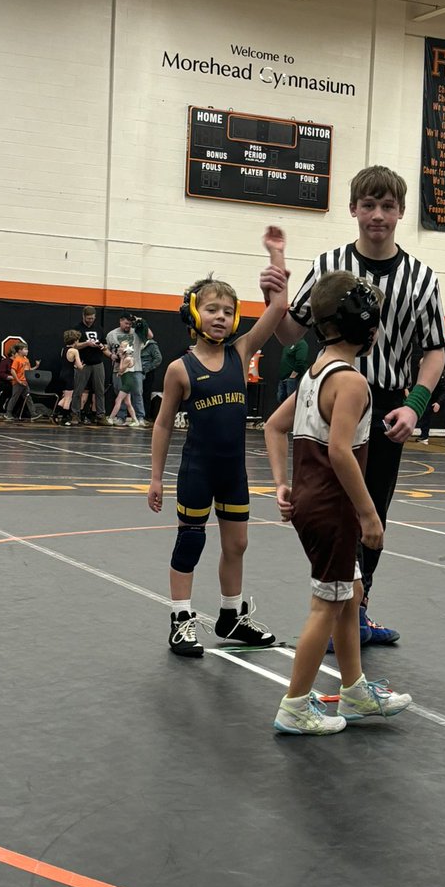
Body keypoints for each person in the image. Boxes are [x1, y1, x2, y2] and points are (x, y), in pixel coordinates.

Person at [261, 165, 445, 645]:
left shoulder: (422, 279)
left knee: (372, 511)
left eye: (387, 206)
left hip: (386, 406)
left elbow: (435, 349)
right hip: (329, 394)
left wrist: (415, 405)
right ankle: (335, 606)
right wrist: (274, 298)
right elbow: (289, 333)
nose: (378, 215)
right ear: (353, 209)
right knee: (330, 507)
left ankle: (354, 611)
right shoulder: (327, 266)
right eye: (369, 205)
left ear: (401, 212)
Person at [264, 270, 412, 734]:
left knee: (351, 595)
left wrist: (282, 483)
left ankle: (354, 691)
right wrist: (369, 514)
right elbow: (341, 451)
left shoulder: (313, 372)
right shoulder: (350, 383)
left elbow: (273, 424)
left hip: (313, 501)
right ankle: (295, 706)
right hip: (334, 508)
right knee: (326, 605)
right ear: (366, 326)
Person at [148, 226, 290, 658]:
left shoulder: (241, 352)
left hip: (233, 472)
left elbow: (280, 307)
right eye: (212, 309)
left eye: (228, 311)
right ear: (193, 312)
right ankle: (181, 619)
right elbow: (162, 425)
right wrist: (156, 477)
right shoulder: (180, 368)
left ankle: (230, 614)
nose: (221, 317)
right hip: (198, 471)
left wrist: (277, 255)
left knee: (237, 544)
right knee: (191, 540)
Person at [106, 313, 148, 424]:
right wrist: (112, 355)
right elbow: (106, 349)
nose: (128, 326)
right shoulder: (112, 334)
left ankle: (139, 417)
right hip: (121, 370)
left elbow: (150, 335)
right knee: (125, 400)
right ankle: (124, 417)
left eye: (130, 324)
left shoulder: (137, 332)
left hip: (133, 370)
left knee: (136, 393)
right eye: (126, 323)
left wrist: (141, 321)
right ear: (120, 321)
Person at [71, 306, 108, 424]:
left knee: (100, 390)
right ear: (83, 316)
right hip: (83, 363)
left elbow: (104, 343)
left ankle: (100, 415)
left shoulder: (98, 328)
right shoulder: (77, 329)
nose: (90, 320)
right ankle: (75, 414)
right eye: (88, 318)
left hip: (97, 362)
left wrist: (103, 346)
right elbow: (74, 345)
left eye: (92, 318)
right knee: (78, 390)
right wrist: (87, 344)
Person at [4, 343, 44, 422]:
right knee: (14, 397)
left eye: (27, 349)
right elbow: (12, 371)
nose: (27, 351)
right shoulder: (17, 359)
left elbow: (28, 371)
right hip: (18, 383)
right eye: (25, 349)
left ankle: (33, 414)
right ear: (19, 351)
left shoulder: (26, 359)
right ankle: (8, 413)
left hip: (25, 382)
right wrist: (18, 380)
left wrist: (36, 366)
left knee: (28, 398)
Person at [107, 338, 142, 427]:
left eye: (122, 347)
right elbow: (121, 371)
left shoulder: (127, 359)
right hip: (127, 380)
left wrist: (122, 358)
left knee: (118, 400)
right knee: (128, 403)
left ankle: (111, 418)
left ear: (126, 348)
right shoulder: (127, 358)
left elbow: (121, 369)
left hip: (128, 382)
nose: (120, 348)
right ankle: (135, 420)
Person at [53, 331, 84, 425]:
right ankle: (65, 418)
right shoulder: (75, 351)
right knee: (68, 398)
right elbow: (79, 366)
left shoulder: (63, 349)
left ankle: (55, 414)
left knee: (65, 397)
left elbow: (66, 362)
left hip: (62, 374)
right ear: (75, 341)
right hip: (69, 376)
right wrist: (82, 365)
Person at [417, 368, 445, 445]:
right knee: (425, 412)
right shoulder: (426, 375)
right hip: (432, 396)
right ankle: (424, 435)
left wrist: (438, 403)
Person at [277, 339, 309, 404]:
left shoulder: (301, 344)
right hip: (283, 379)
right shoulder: (288, 344)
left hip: (293, 380)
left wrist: (293, 376)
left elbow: (301, 361)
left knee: (292, 404)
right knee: (282, 403)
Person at [141, 329, 163, 420]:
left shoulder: (152, 345)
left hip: (147, 373)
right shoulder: (134, 343)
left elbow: (158, 359)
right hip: (135, 371)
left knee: (145, 394)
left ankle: (145, 415)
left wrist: (147, 368)